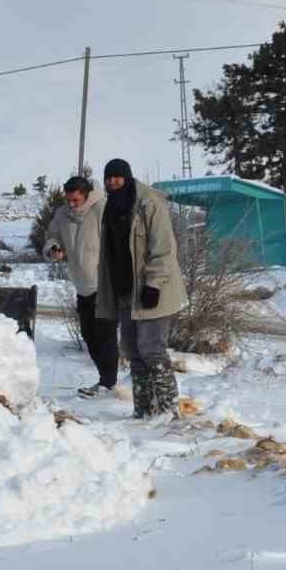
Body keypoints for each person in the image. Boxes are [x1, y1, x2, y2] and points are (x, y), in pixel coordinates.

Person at [95, 158, 188, 418]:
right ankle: (144, 410)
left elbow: (164, 249)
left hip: (151, 291)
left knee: (152, 351)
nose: (113, 182)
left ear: (127, 176)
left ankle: (168, 411)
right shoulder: (111, 208)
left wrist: (153, 283)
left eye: (117, 177)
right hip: (125, 292)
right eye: (108, 178)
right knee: (134, 353)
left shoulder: (149, 203)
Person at [43, 175, 117, 398]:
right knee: (88, 334)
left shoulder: (102, 209)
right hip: (81, 285)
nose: (71, 204)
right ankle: (106, 380)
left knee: (105, 336)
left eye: (76, 200)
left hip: (104, 284)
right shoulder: (62, 215)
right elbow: (52, 235)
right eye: (68, 200)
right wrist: (53, 248)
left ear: (87, 196)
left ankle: (108, 383)